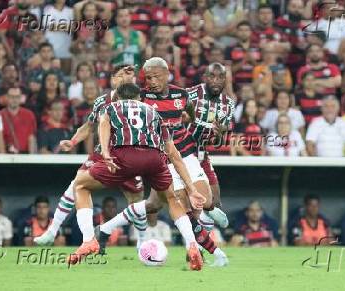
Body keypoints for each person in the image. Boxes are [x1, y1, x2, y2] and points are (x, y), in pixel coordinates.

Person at [97, 58, 228, 267]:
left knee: (160, 204)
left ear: (167, 74)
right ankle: (198, 250)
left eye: (156, 76)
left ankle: (103, 230)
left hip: (186, 153)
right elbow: (118, 104)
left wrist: (193, 122)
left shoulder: (181, 95)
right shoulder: (143, 97)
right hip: (163, 158)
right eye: (148, 78)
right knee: (184, 205)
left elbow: (190, 115)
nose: (152, 81)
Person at [69, 82, 204, 270]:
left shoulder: (111, 107)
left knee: (81, 185)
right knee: (172, 200)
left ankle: (89, 240)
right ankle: (192, 246)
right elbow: (174, 154)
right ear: (140, 98)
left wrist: (106, 153)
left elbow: (104, 123)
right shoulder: (153, 112)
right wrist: (192, 189)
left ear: (117, 97)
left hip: (124, 156)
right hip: (154, 158)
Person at [34, 65, 144, 246]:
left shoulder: (139, 101)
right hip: (103, 154)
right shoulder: (102, 101)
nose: (123, 79)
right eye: (119, 76)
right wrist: (73, 141)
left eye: (127, 75)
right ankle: (53, 232)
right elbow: (89, 126)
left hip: (130, 156)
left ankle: (142, 241)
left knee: (137, 201)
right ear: (112, 80)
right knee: (77, 184)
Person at [186, 63, 235, 227]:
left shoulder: (228, 104)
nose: (216, 81)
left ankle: (201, 244)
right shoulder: (190, 95)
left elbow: (218, 142)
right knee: (191, 204)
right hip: (181, 153)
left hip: (201, 154)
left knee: (215, 201)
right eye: (212, 76)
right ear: (205, 77)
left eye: (221, 77)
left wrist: (221, 134)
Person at [0, 87, 37, 154]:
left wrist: (32, 158)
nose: (14, 99)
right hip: (6, 155)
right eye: (12, 97)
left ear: (20, 98)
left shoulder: (29, 115)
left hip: (24, 155)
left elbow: (31, 138)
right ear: (7, 98)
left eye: (17, 97)